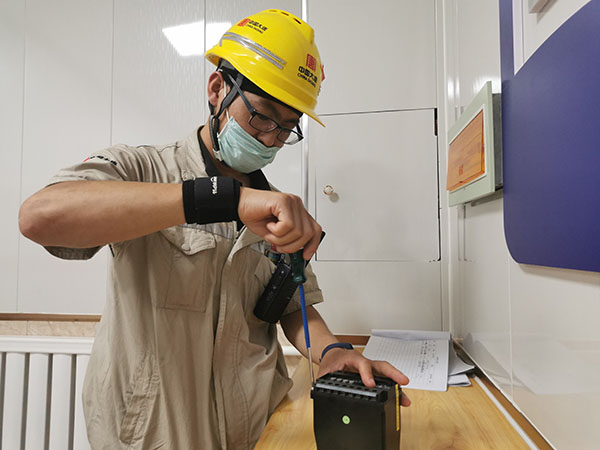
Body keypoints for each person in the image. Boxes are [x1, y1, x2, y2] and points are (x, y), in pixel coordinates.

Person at [18, 9, 410, 450]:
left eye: (287, 128)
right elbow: (40, 216)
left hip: (256, 427)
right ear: (218, 88)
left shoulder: (276, 208)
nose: (270, 139)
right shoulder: (145, 169)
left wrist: (331, 352)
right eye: (263, 116)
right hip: (156, 432)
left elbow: (290, 306)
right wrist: (222, 199)